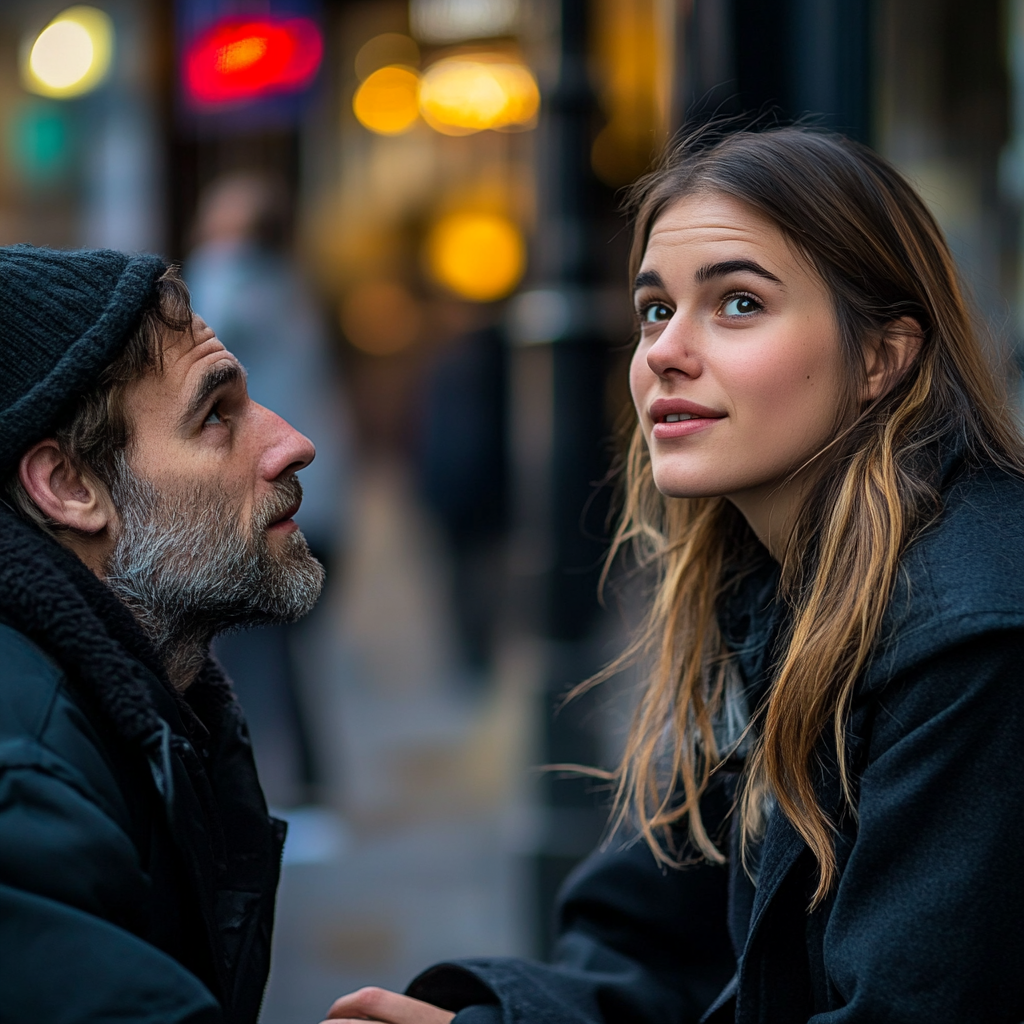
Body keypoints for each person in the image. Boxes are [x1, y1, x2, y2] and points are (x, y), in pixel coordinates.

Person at [320, 126, 1024, 1023]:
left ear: (881, 358)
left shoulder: (971, 639)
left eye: (737, 304)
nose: (663, 353)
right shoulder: (756, 591)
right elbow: (656, 945)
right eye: (656, 310)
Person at [0, 246, 324, 1022]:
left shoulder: (155, 708)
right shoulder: (22, 788)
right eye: (216, 416)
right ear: (72, 487)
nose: (291, 443)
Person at [185, 173, 351, 806]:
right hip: (318, 497)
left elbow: (195, 341)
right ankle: (304, 789)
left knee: (257, 657)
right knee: (284, 655)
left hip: (271, 500)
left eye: (223, 219)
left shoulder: (238, 284)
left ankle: (271, 796)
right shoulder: (294, 293)